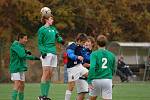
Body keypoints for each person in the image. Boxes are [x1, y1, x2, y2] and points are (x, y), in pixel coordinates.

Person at [38, 7, 64, 100]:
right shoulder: (41, 30)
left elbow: (58, 37)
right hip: (46, 53)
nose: (52, 20)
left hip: (53, 53)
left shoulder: (53, 29)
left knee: (50, 74)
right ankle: (42, 96)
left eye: (52, 19)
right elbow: (40, 43)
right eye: (50, 19)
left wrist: (61, 40)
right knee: (45, 73)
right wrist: (43, 52)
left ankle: (46, 96)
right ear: (46, 19)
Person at [9, 33, 40, 100]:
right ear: (20, 39)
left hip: (21, 68)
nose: (26, 40)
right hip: (15, 68)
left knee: (22, 85)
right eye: (25, 38)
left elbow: (22, 51)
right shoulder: (15, 45)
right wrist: (35, 58)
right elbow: (22, 55)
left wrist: (26, 51)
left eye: (26, 38)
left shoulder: (20, 45)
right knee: (17, 84)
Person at [87, 35, 116, 100]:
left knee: (92, 98)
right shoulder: (112, 55)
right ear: (106, 43)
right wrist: (110, 77)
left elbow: (92, 68)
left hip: (96, 80)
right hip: (107, 80)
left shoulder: (94, 54)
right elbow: (113, 69)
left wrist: (89, 81)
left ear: (97, 43)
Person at [65, 33, 89, 100]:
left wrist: (93, 58)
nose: (84, 44)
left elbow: (86, 56)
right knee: (71, 86)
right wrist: (77, 57)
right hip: (72, 68)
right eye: (83, 42)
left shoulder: (82, 47)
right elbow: (70, 54)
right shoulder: (72, 46)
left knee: (91, 75)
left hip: (79, 66)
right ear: (78, 40)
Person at [76, 36, 95, 100]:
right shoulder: (82, 51)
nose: (86, 43)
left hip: (90, 76)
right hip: (82, 76)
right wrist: (92, 65)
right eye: (86, 41)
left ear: (92, 44)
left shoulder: (93, 53)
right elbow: (83, 64)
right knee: (82, 94)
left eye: (88, 41)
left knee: (90, 93)